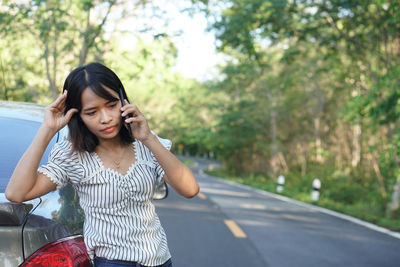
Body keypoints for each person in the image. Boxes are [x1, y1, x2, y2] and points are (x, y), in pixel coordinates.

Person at [5, 62, 199, 267]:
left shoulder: (147, 144)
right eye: (91, 112)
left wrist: (149, 138)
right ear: (77, 115)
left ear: (123, 100)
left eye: (112, 105)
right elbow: (16, 193)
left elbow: (190, 189)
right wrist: (47, 129)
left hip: (160, 260)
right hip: (112, 262)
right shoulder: (72, 155)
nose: (106, 118)